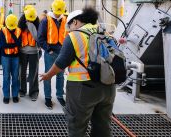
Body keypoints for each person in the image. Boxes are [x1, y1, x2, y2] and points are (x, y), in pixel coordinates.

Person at [41, 7, 116, 137]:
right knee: (103, 126)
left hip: (83, 88)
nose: (69, 30)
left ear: (75, 22)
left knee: (77, 126)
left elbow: (61, 63)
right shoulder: (104, 32)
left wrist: (48, 75)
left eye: (69, 26)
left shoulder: (75, 36)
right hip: (108, 87)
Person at [38, 0, 68, 109]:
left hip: (62, 52)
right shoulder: (46, 20)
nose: (58, 14)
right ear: (52, 9)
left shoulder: (66, 19)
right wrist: (48, 49)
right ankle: (47, 98)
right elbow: (40, 38)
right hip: (50, 52)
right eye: (56, 11)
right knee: (48, 75)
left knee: (60, 75)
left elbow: (69, 35)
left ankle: (60, 95)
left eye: (60, 12)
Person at [0, 14, 22, 104]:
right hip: (5, 57)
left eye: (13, 28)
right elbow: (2, 44)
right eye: (10, 27)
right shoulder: (3, 30)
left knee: (15, 76)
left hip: (15, 57)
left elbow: (19, 44)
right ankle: (6, 95)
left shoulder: (19, 30)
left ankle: (15, 95)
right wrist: (13, 44)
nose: (11, 29)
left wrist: (9, 45)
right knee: (6, 76)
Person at [18, 7, 40, 101]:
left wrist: (30, 25)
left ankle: (33, 91)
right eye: (28, 19)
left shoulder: (36, 24)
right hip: (22, 51)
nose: (30, 20)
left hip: (34, 52)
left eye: (32, 19)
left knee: (33, 73)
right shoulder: (20, 24)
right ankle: (22, 90)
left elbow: (36, 37)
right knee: (21, 72)